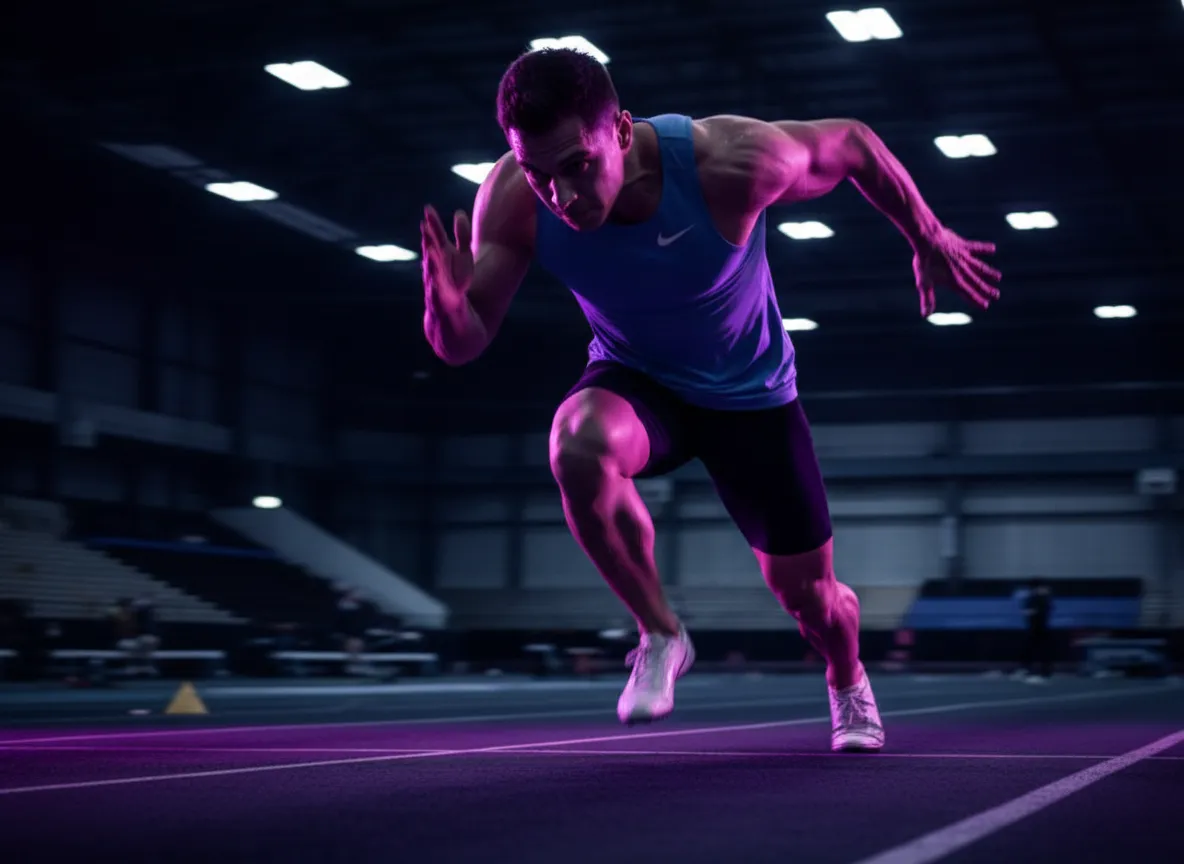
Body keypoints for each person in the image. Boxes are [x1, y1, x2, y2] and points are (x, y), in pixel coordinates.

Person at [420, 48, 1001, 752]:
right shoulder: (513, 197)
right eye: (541, 175)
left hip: (751, 396)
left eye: (576, 165)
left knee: (814, 602)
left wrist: (927, 232)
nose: (561, 196)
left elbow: (852, 141)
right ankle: (660, 632)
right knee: (575, 444)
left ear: (623, 131)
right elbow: (464, 342)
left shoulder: (728, 162)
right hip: (640, 381)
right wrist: (447, 312)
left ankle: (848, 680)